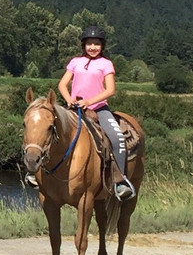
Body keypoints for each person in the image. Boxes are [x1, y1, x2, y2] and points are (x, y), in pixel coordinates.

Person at [57, 26, 135, 201]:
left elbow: (110, 90)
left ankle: (120, 181)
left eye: (97, 44)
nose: (93, 47)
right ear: (84, 45)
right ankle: (38, 173)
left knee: (117, 138)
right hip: (75, 109)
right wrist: (68, 99)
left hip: (99, 110)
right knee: (50, 131)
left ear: (102, 45)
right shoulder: (75, 62)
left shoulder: (106, 64)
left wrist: (89, 102)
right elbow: (62, 84)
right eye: (89, 44)